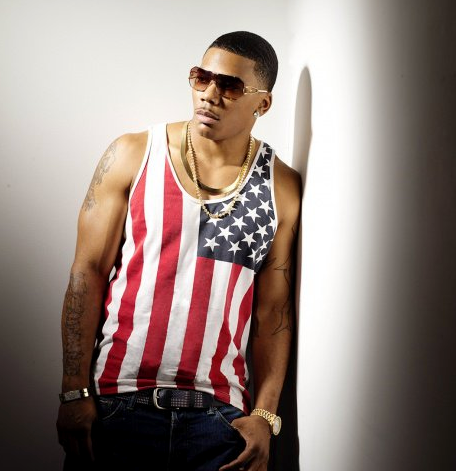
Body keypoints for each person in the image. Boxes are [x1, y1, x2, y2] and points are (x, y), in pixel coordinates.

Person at [56, 31, 301, 471]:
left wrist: (265, 416)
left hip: (221, 421)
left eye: (230, 86)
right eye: (201, 77)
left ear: (262, 104)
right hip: (117, 405)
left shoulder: (279, 186)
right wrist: (74, 390)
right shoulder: (133, 154)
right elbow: (87, 271)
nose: (209, 94)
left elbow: (273, 312)